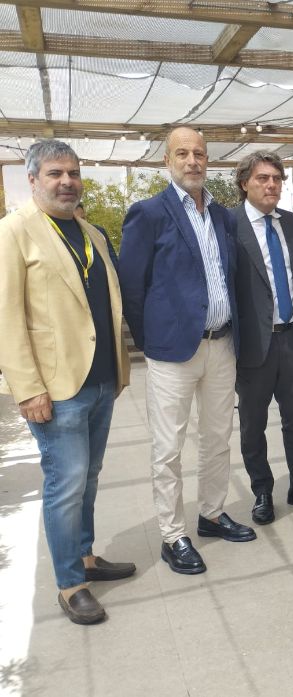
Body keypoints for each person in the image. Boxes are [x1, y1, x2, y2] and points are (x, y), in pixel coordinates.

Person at [0, 140, 133, 624]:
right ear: (33, 179)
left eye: (73, 173)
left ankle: (86, 556)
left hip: (100, 379)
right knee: (66, 483)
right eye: (55, 173)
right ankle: (70, 583)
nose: (67, 182)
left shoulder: (91, 232)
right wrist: (27, 387)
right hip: (56, 389)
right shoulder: (14, 232)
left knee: (89, 477)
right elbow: (6, 317)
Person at [120, 126, 255, 575]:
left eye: (199, 153)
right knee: (168, 448)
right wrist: (152, 341)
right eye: (182, 153)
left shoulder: (221, 216)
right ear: (167, 161)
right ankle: (173, 535)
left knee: (218, 438)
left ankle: (212, 514)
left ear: (207, 159)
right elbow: (132, 287)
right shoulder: (147, 214)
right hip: (172, 352)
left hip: (222, 344)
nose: (192, 161)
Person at [231, 152, 293, 525]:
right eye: (262, 178)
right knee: (252, 425)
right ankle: (262, 491)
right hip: (253, 346)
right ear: (245, 183)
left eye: (277, 178)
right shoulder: (229, 225)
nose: (271, 184)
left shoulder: (292, 224)